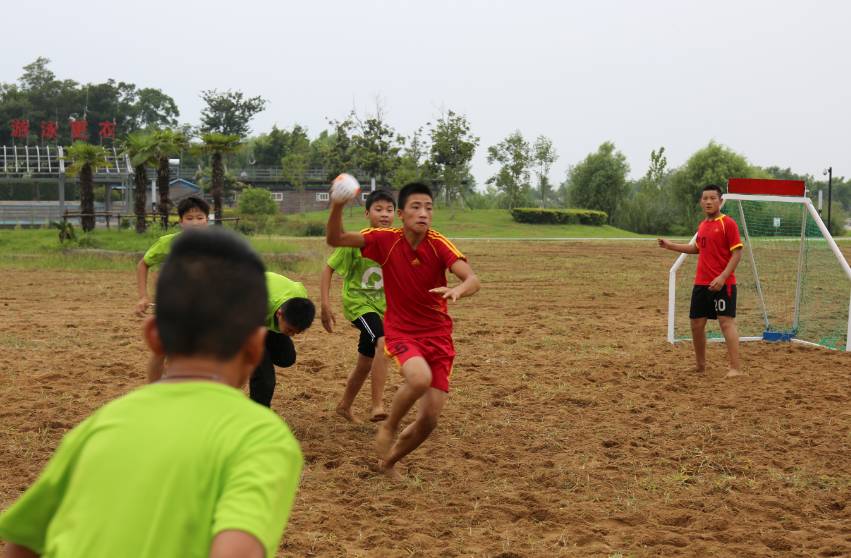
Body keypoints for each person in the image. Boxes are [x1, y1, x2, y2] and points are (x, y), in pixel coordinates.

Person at [0, 228, 303, 558]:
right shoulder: (262, 436)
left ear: (155, 337)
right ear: (257, 345)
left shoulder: (97, 425)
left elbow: (21, 547)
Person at [326, 181, 480, 480]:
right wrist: (337, 205)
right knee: (419, 379)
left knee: (429, 419)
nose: (424, 213)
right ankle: (389, 425)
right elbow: (336, 238)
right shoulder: (384, 239)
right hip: (401, 331)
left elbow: (473, 279)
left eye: (429, 208)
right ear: (401, 214)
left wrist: (459, 289)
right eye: (416, 207)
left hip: (438, 336)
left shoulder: (438, 243)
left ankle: (389, 463)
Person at [320, 189, 395, 423]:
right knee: (382, 341)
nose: (384, 214)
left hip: (382, 308)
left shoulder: (396, 241)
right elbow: (328, 268)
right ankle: (377, 406)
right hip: (359, 305)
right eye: (378, 209)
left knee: (365, 362)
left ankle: (344, 406)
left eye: (389, 210)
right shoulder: (357, 241)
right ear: (366, 213)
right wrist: (325, 305)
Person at [658, 183, 744, 378]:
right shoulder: (703, 226)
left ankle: (736, 368)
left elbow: (737, 253)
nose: (708, 201)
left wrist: (722, 277)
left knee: (726, 323)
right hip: (701, 283)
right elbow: (697, 248)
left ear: (720, 201)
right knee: (696, 324)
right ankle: (700, 366)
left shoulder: (727, 223)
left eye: (713, 198)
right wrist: (670, 246)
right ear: (700, 202)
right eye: (705, 198)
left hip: (723, 284)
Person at [135, 196, 210, 317]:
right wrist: (143, 297)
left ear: (207, 220)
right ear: (181, 222)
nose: (195, 223)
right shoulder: (168, 243)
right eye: (189, 218)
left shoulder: (218, 244)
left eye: (200, 218)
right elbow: (143, 264)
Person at [250, 272, 315, 408]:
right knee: (265, 377)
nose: (292, 335)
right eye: (290, 330)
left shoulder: (300, 297)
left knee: (286, 358)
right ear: (280, 314)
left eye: (297, 332)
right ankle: (258, 415)